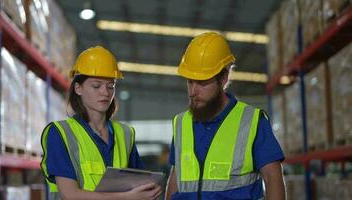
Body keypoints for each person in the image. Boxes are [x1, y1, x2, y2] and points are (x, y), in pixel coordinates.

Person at [165, 32, 285, 200]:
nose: (193, 92)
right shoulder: (181, 123)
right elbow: (175, 179)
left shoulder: (252, 121)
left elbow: (273, 179)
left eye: (202, 83)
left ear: (224, 78)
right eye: (190, 81)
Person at [40, 46, 161, 200]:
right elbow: (69, 194)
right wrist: (127, 197)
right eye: (96, 86)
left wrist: (149, 190)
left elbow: (139, 184)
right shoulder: (60, 133)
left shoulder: (125, 134)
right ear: (78, 88)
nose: (105, 92)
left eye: (111, 86)